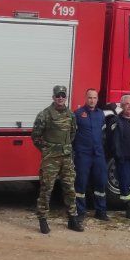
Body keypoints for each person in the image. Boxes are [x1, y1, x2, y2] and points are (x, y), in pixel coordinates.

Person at [31, 85, 83, 234]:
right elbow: (35, 136)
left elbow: (73, 133)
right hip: (50, 159)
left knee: (70, 188)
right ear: (53, 97)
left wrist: (64, 147)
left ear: (66, 97)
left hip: (66, 158)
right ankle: (42, 219)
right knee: (46, 188)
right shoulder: (45, 115)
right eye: (58, 96)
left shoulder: (70, 115)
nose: (60, 98)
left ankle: (72, 219)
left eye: (63, 96)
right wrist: (47, 149)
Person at [73, 88, 109, 221]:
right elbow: (72, 135)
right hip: (83, 154)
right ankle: (80, 211)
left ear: (97, 99)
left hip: (98, 154)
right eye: (89, 98)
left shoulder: (101, 114)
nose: (92, 100)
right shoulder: (78, 114)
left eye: (94, 98)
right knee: (81, 183)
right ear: (85, 98)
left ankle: (101, 211)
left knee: (101, 182)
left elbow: (104, 134)